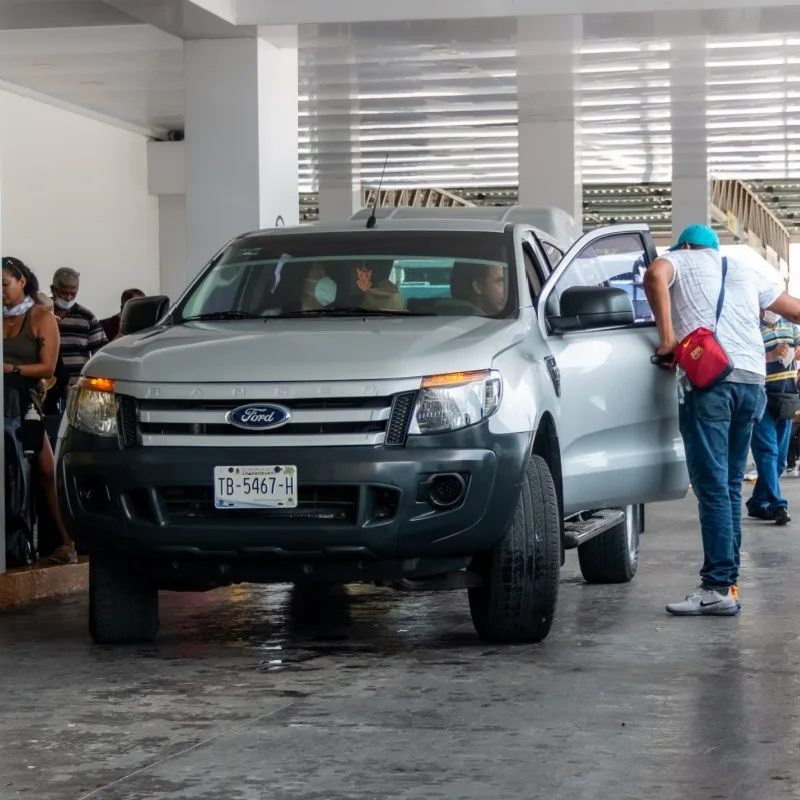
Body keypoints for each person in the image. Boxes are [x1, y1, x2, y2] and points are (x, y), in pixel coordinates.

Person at [643, 224, 792, 616]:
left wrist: (667, 339)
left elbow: (655, 275)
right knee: (728, 486)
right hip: (752, 383)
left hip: (711, 381)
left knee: (711, 487)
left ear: (685, 245)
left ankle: (716, 586)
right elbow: (794, 308)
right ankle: (728, 584)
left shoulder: (676, 259)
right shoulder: (743, 268)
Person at [1, 257, 76, 564]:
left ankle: (67, 541)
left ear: (22, 282)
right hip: (3, 400)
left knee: (46, 471)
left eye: (5, 285)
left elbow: (48, 366)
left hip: (26, 401)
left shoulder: (41, 317)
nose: (1, 292)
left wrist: (10, 368)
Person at [746, 311, 800, 524]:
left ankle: (758, 503)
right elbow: (745, 359)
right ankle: (778, 505)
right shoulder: (752, 326)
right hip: (762, 396)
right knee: (767, 452)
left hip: (786, 398)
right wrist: (771, 355)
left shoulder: (789, 324)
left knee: (779, 460)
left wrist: (797, 352)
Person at [49, 268, 107, 408]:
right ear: (53, 289)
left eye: (73, 293)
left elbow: (102, 355)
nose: (69, 297)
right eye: (64, 293)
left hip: (78, 391)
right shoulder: (40, 314)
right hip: (46, 390)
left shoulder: (86, 317)